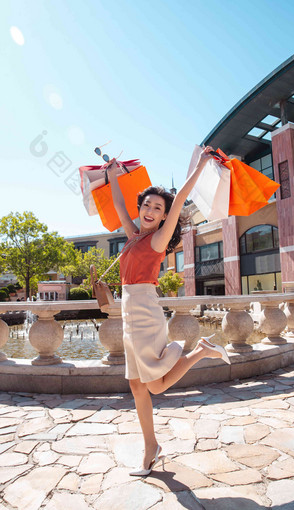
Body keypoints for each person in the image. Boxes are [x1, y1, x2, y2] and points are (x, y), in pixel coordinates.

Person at [106, 146, 230, 476]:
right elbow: (120, 205)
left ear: (164, 216)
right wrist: (112, 177)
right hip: (129, 314)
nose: (150, 210)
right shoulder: (133, 237)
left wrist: (202, 164)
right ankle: (151, 447)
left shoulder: (157, 241)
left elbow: (182, 196)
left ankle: (197, 352)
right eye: (146, 204)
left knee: (156, 386)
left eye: (157, 208)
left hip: (144, 312)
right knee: (136, 385)